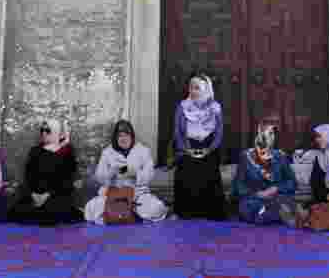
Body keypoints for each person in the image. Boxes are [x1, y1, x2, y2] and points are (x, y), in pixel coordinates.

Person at [84, 120, 168, 225]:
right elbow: (100, 177)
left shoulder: (143, 150)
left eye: (126, 135)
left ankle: (127, 212)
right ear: (115, 138)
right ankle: (128, 215)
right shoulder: (107, 152)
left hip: (136, 194)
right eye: (120, 136)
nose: (123, 139)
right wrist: (111, 173)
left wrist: (135, 173)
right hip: (113, 193)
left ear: (132, 136)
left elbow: (150, 175)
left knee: (156, 208)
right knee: (90, 208)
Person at [6, 119, 82, 225]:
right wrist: (33, 194)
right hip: (34, 194)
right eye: (42, 130)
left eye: (48, 130)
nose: (43, 133)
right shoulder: (35, 151)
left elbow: (68, 179)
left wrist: (47, 195)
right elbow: (28, 176)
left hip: (57, 194)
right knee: (15, 211)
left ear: (58, 133)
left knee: (51, 212)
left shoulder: (67, 151)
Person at [173, 75, 226, 220]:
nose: (193, 91)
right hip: (188, 146)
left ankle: (210, 212)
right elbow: (178, 131)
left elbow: (219, 131)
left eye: (197, 88)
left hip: (209, 148)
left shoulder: (215, 108)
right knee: (186, 169)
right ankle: (184, 212)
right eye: (191, 87)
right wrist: (185, 148)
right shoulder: (183, 106)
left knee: (208, 170)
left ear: (206, 89)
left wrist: (210, 149)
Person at [232, 123, 298, 226]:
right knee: (247, 207)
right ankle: (276, 214)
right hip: (255, 199)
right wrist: (258, 194)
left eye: (272, 134)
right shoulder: (246, 157)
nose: (269, 137)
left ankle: (272, 213)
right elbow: (238, 186)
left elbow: (292, 183)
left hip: (277, 197)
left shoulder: (280, 156)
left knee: (284, 201)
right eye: (266, 133)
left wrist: (276, 188)